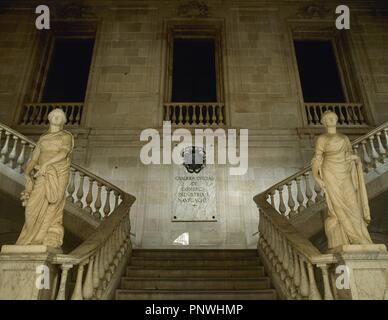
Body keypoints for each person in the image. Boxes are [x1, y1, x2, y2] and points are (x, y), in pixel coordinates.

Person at [311, 110, 373, 250]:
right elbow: (317, 159)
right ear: (324, 122)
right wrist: (317, 177)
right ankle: (354, 238)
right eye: (328, 118)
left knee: (353, 204)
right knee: (338, 206)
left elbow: (350, 154)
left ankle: (361, 236)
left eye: (333, 117)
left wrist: (355, 159)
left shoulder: (344, 138)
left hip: (344, 172)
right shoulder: (322, 138)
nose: (332, 119)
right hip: (330, 172)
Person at [16, 108, 74, 248]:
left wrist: (46, 164)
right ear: (49, 118)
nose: (57, 117)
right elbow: (34, 158)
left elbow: (63, 153)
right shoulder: (43, 138)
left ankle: (40, 238)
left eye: (60, 116)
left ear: (64, 121)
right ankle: (29, 236)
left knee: (52, 205)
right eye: (54, 115)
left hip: (58, 173)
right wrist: (27, 172)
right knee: (31, 207)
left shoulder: (65, 136)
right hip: (41, 174)